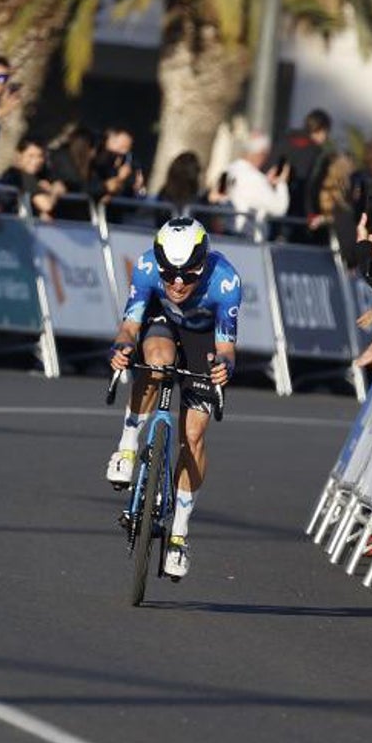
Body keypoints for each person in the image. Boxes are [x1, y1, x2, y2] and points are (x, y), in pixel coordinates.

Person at [105, 217, 240, 580]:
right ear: (159, 263)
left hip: (202, 336)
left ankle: (179, 533)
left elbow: (227, 347)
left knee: (193, 436)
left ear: (204, 263)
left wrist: (223, 367)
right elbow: (130, 326)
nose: (178, 282)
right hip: (162, 323)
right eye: (170, 274)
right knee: (158, 363)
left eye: (189, 275)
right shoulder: (147, 266)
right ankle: (128, 445)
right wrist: (122, 347)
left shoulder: (226, 280)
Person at [226, 131, 289, 235]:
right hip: (249, 241)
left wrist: (266, 182)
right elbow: (280, 209)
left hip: (227, 235)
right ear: (261, 153)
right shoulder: (255, 179)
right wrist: (281, 182)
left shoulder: (229, 169)